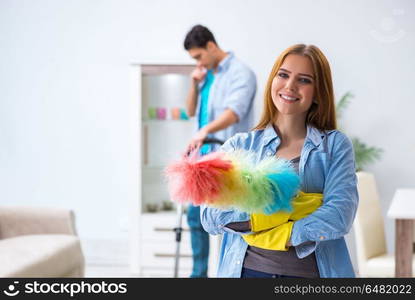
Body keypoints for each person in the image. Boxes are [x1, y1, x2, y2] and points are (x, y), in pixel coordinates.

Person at [201, 44, 359, 278]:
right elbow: (210, 216)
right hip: (245, 273)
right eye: (283, 75)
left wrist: (280, 232)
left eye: (304, 80)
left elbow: (338, 216)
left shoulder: (334, 146)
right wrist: (298, 209)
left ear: (318, 92)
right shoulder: (240, 146)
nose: (290, 86)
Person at [183, 24, 257, 278]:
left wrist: (206, 131)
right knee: (195, 219)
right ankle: (198, 276)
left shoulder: (241, 73)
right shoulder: (207, 77)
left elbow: (234, 112)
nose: (197, 62)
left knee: (227, 224)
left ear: (211, 46)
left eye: (198, 56)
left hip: (227, 161)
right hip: (201, 160)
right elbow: (191, 112)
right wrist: (194, 84)